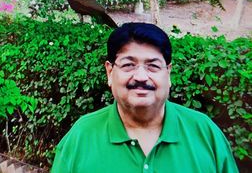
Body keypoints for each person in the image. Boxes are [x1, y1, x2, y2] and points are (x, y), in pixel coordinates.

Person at [51, 23, 238, 173]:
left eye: (153, 66)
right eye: (128, 65)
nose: (141, 76)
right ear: (109, 72)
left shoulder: (204, 133)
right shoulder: (81, 137)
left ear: (168, 73)